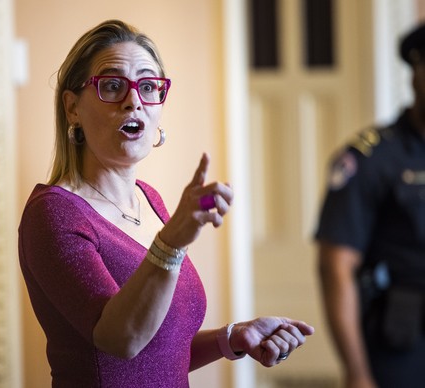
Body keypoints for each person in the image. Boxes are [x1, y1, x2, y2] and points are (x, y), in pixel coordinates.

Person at [19, 19, 314, 387]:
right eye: (112, 86)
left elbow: (159, 354)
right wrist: (173, 239)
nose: (133, 101)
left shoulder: (150, 199)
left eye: (148, 86)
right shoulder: (53, 213)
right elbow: (122, 340)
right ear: (72, 107)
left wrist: (232, 338)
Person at [315, 23, 425, 388]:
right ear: (415, 74)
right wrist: (357, 372)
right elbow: (336, 266)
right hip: (403, 340)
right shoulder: (371, 158)